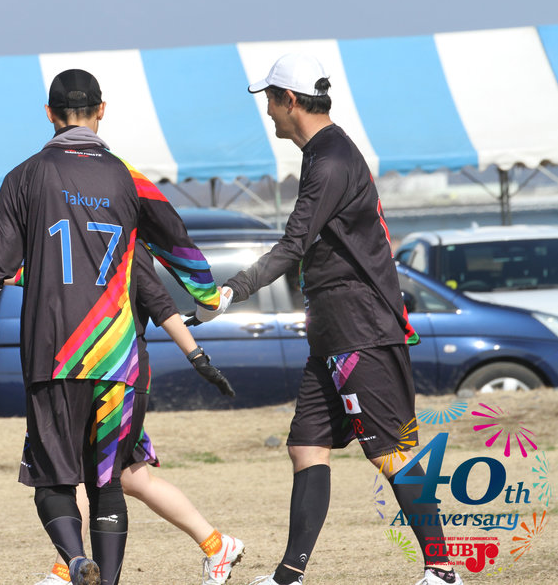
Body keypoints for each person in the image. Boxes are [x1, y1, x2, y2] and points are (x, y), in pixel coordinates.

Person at [194, 53, 463, 585]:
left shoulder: (330, 160)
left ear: (290, 100)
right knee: (306, 445)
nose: (267, 112)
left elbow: (293, 243)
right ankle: (288, 576)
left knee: (392, 453)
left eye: (270, 100)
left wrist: (231, 290)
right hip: (334, 331)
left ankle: (443, 571)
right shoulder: (321, 154)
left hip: (361, 328)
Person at [0, 69, 230, 585]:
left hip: (54, 354)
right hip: (119, 358)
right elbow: (177, 243)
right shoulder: (130, 178)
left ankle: (74, 557)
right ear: (102, 110)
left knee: (53, 480)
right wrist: (207, 295)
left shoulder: (24, 177)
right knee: (108, 483)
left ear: (49, 114)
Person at [1, 251, 243, 585]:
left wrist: (197, 356)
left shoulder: (128, 247)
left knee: (86, 472)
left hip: (118, 378)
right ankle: (217, 545)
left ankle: (65, 570)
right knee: (131, 478)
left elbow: (161, 304)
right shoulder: (88, 239)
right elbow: (56, 270)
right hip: (91, 374)